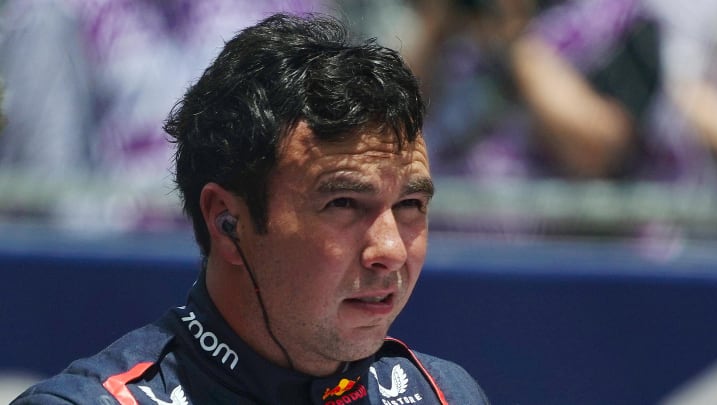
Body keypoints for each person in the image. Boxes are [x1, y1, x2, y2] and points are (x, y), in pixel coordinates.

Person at [11, 13, 490, 405]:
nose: (389, 250)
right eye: (344, 203)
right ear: (227, 221)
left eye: (410, 205)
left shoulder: (445, 395)